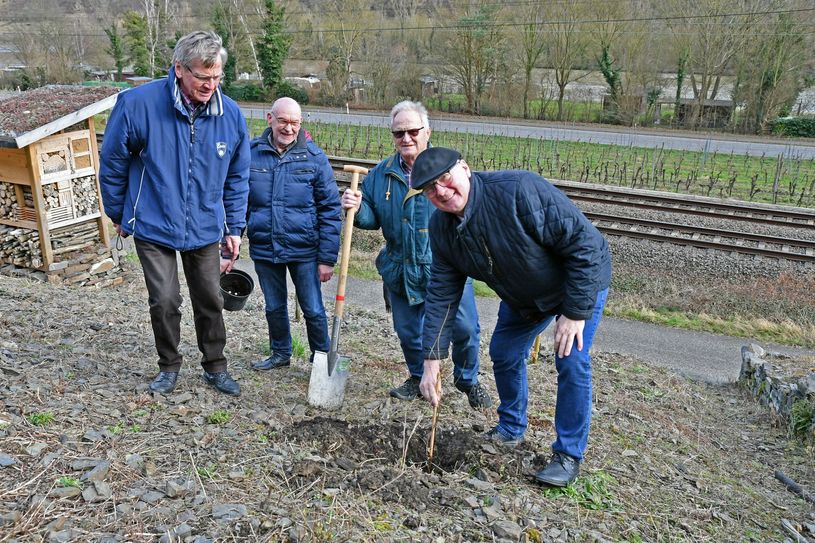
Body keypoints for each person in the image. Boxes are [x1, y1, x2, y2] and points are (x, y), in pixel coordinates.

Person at [411, 147, 611, 487]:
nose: (441, 192)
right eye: (430, 189)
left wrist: (574, 312)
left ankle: (567, 455)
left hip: (577, 283)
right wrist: (432, 358)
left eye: (445, 179)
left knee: (571, 359)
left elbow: (586, 246)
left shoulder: (519, 191)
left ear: (465, 168)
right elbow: (443, 294)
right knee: (504, 352)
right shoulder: (442, 228)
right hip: (523, 298)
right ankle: (511, 426)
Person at [99, 31, 250, 397]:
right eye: (202, 76)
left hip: (204, 225)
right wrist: (119, 212)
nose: (210, 85)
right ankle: (168, 366)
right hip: (153, 222)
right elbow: (113, 162)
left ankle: (215, 366)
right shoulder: (137, 105)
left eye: (216, 78)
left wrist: (235, 227)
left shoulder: (230, 115)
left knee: (211, 299)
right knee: (165, 300)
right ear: (179, 69)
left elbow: (237, 176)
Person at [340, 101, 491, 409]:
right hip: (401, 266)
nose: (406, 138)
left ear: (427, 132)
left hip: (445, 266)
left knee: (465, 329)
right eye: (399, 133)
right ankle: (416, 376)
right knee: (409, 331)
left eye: (412, 131)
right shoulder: (381, 174)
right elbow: (370, 220)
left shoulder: (447, 167)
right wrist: (356, 206)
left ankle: (467, 379)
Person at [246, 97, 341, 370]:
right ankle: (280, 354)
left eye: (295, 123)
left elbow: (330, 209)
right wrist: (230, 245)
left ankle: (321, 360)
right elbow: (239, 201)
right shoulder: (251, 154)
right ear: (270, 119)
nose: (289, 128)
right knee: (274, 306)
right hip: (265, 246)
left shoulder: (314, 157)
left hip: (305, 250)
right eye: (284, 121)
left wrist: (327, 258)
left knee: (312, 308)